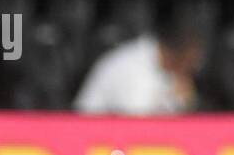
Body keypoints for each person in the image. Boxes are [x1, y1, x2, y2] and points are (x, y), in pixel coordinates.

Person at [74, 12, 205, 115]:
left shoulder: (165, 68)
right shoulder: (133, 66)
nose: (195, 66)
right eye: (190, 61)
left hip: (117, 140)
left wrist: (182, 102)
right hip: (88, 137)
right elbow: (137, 125)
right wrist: (175, 103)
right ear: (176, 54)